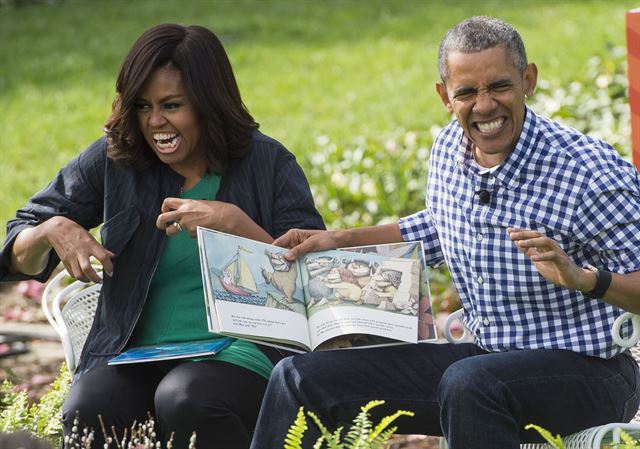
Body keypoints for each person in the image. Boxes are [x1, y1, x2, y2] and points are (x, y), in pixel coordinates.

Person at [249, 16, 640, 449]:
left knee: (468, 382)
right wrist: (338, 239)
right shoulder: (448, 150)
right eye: (467, 92)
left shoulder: (588, 171)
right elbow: (439, 226)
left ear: (528, 80)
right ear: (444, 96)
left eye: (500, 86)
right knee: (300, 378)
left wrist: (584, 279)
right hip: (485, 364)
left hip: (592, 373)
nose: (485, 105)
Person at [0, 23, 324, 449]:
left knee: (186, 397)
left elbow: (315, 278)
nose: (155, 122)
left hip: (241, 353)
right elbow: (16, 246)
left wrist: (235, 224)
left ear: (209, 103)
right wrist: (52, 229)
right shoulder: (117, 159)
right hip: (134, 353)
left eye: (172, 105)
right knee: (88, 405)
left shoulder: (269, 164)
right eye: (142, 105)